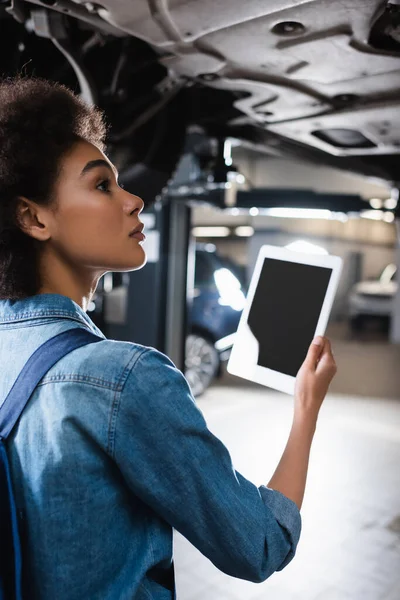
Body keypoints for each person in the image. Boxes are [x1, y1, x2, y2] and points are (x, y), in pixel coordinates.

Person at [0, 76, 337, 600]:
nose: (134, 199)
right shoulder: (122, 378)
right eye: (101, 185)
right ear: (32, 217)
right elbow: (260, 545)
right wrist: (306, 410)